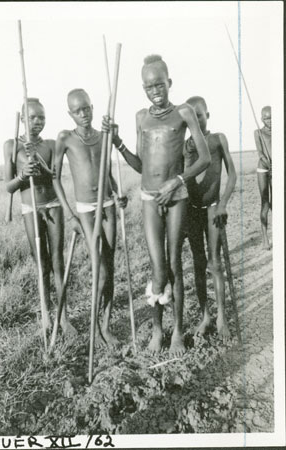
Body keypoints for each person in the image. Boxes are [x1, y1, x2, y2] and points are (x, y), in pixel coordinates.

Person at [102, 55, 211, 356]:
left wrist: (177, 181)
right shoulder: (141, 117)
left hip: (176, 198)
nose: (155, 91)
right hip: (150, 198)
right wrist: (118, 142)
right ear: (143, 88)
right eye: (149, 86)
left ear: (169, 82)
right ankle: (156, 330)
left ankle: (176, 332)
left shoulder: (184, 112)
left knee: (174, 262)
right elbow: (141, 166)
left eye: (160, 84)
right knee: (157, 269)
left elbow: (205, 158)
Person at [53, 88, 126, 348]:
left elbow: (106, 171)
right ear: (69, 113)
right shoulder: (65, 138)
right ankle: (94, 327)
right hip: (85, 209)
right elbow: (54, 177)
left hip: (107, 206)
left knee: (111, 267)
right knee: (101, 270)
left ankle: (105, 326)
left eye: (86, 108)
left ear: (92, 107)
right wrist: (70, 214)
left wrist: (117, 193)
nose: (83, 114)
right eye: (77, 110)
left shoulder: (103, 135)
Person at [4, 98, 76, 337]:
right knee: (41, 265)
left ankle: (63, 319)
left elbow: (55, 176)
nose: (38, 122)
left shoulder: (51, 144)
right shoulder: (11, 146)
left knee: (58, 262)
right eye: (33, 117)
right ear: (23, 119)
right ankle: (45, 318)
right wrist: (23, 175)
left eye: (42, 117)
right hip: (31, 208)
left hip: (53, 205)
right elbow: (9, 186)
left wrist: (41, 166)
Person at [183, 96, 237, 343]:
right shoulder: (186, 145)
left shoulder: (218, 139)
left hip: (214, 208)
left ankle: (222, 318)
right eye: (192, 118)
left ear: (208, 114)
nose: (198, 120)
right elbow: (183, 177)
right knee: (198, 263)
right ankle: (205, 315)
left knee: (215, 264)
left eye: (200, 115)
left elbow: (232, 174)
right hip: (193, 210)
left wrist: (223, 203)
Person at [254, 106, 272, 250]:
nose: (269, 120)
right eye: (266, 118)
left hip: (276, 169)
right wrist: (266, 160)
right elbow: (260, 153)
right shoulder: (258, 132)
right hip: (263, 168)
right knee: (265, 203)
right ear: (261, 119)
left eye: (271, 117)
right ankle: (265, 239)